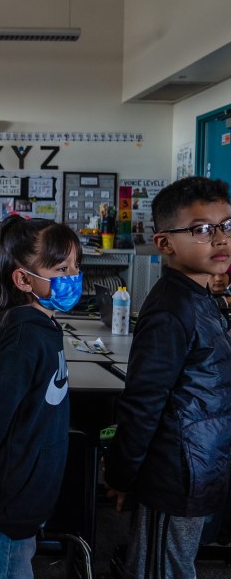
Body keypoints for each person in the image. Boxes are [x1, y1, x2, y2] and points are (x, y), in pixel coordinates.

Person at [104, 176, 231, 579]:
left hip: (197, 464)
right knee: (166, 567)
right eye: (202, 230)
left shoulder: (203, 297)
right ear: (164, 244)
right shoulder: (170, 309)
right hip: (177, 470)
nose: (220, 239)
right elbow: (143, 402)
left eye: (227, 225)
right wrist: (122, 474)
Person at [0, 215, 83, 578]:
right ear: (23, 279)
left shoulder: (41, 326)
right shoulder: (25, 337)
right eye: (61, 268)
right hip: (14, 486)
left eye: (75, 266)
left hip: (29, 480)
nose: (73, 276)